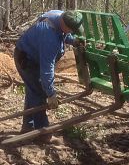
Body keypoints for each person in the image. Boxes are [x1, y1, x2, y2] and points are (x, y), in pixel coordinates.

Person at [14, 10, 84, 141]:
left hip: (29, 53)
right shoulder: (50, 38)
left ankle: (27, 127)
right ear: (65, 25)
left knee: (32, 91)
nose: (72, 32)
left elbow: (63, 34)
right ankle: (44, 133)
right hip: (26, 60)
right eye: (71, 30)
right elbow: (47, 70)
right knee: (39, 93)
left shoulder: (59, 16)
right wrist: (51, 94)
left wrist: (73, 41)